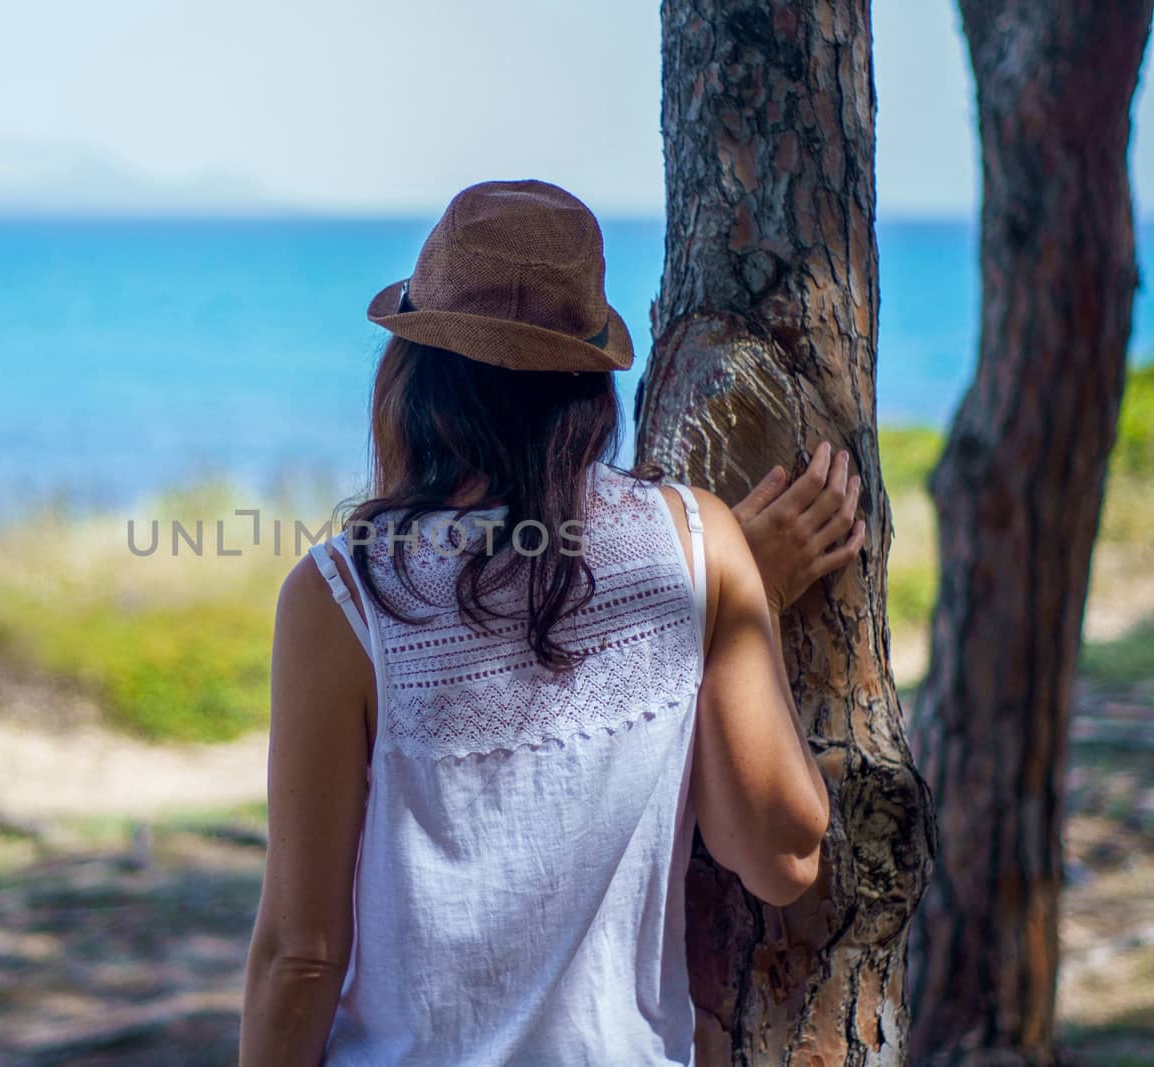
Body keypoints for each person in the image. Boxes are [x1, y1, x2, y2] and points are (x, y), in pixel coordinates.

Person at [239, 180, 865, 1065]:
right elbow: (780, 855)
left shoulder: (345, 598)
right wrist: (731, 605)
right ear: (591, 391)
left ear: (413, 379)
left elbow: (301, 954)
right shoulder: (697, 547)